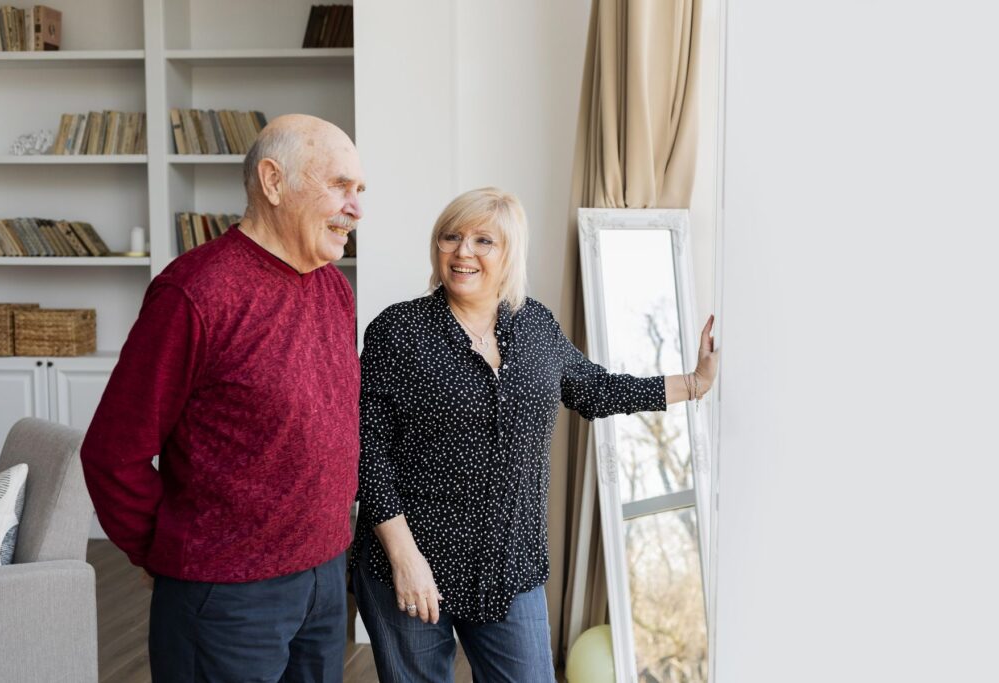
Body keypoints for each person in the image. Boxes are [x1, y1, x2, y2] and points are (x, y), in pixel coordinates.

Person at [351, 187, 719, 682]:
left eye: (483, 240)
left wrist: (693, 383)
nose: (463, 251)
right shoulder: (398, 331)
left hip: (509, 562)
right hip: (411, 559)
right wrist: (405, 558)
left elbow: (595, 389)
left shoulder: (535, 325)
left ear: (510, 253)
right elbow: (368, 453)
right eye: (450, 237)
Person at [81, 114, 365, 682]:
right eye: (340, 185)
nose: (356, 208)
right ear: (273, 181)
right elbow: (113, 453)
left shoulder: (334, 288)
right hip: (227, 593)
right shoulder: (195, 292)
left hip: (325, 575)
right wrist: (162, 550)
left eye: (360, 190)